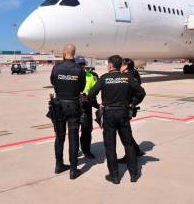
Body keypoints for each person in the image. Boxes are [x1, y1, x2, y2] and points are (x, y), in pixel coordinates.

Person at [88, 55, 146, 184]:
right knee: (128, 144)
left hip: (109, 115)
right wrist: (132, 103)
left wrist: (97, 106)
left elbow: (91, 94)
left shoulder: (104, 78)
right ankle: (134, 173)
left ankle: (114, 176)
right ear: (120, 66)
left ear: (110, 66)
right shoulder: (127, 78)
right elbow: (141, 92)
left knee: (110, 146)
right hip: (123, 113)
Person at [50, 44, 86, 180]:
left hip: (59, 105)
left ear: (64, 53)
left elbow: (53, 82)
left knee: (59, 137)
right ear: (74, 54)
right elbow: (82, 86)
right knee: (73, 136)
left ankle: (59, 164)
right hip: (73, 105)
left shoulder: (56, 68)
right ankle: (73, 169)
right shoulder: (79, 69)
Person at [118, 58, 146, 164]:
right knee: (126, 131)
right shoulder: (134, 73)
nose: (120, 66)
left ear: (125, 66)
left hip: (126, 107)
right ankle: (136, 150)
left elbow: (138, 92)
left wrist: (132, 103)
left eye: (122, 64)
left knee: (125, 133)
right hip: (128, 106)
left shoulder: (129, 76)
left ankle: (129, 155)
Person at [75, 56, 99, 159]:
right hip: (75, 106)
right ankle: (75, 150)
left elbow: (94, 92)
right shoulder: (72, 76)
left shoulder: (90, 76)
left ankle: (86, 150)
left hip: (86, 106)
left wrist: (96, 105)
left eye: (83, 64)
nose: (81, 66)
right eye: (79, 64)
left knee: (87, 130)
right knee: (74, 131)